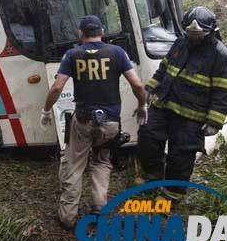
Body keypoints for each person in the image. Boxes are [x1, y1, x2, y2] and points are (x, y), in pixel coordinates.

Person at [41, 15, 148, 230]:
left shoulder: (72, 55)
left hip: (83, 120)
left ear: (81, 33)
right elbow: (137, 85)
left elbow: (56, 88)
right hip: (110, 123)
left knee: (74, 165)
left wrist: (45, 111)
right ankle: (100, 208)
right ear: (102, 31)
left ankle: (68, 217)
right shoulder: (117, 53)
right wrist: (142, 105)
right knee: (101, 162)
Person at [137, 6, 227, 201]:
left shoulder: (221, 56)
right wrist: (149, 90)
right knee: (147, 137)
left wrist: (215, 121)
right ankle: (153, 179)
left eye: (198, 35)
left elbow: (223, 92)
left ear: (210, 32)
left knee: (181, 155)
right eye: (190, 33)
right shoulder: (180, 44)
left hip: (192, 116)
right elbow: (164, 70)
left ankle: (171, 195)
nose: (194, 38)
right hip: (164, 104)